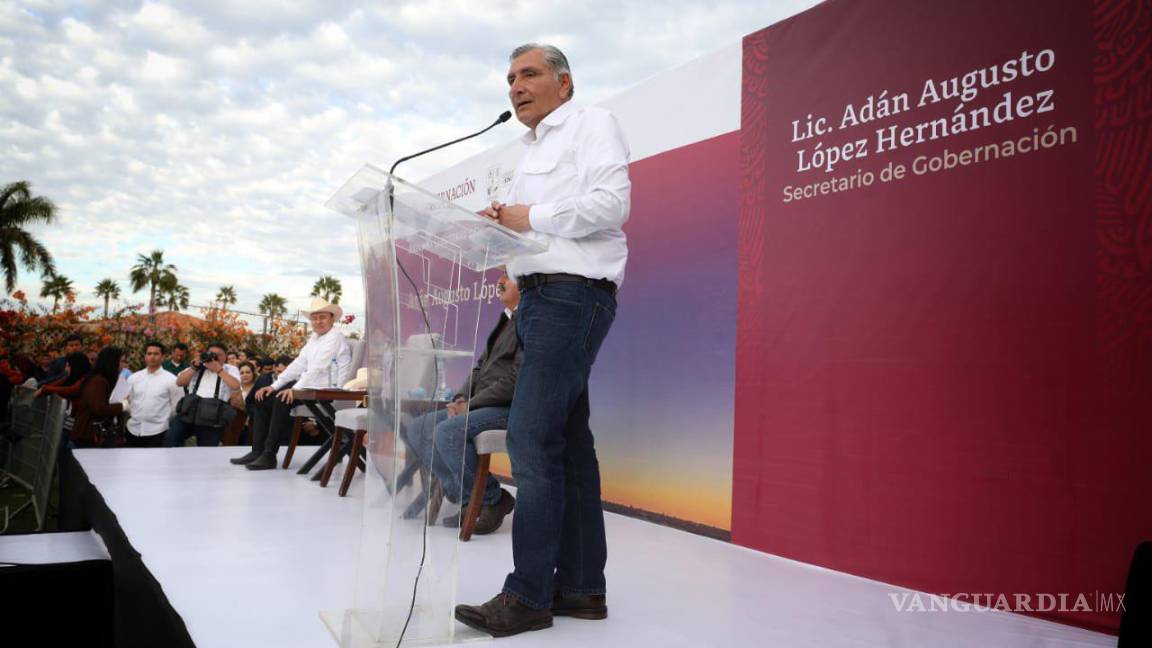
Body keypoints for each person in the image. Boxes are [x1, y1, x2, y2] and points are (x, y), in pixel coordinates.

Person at [455, 43, 629, 637]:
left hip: (573, 296)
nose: (516, 86)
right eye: (509, 78)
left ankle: (528, 595)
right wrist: (500, 231)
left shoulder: (591, 123)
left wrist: (530, 217)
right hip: (537, 301)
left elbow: (612, 205)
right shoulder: (525, 151)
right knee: (569, 447)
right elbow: (533, 225)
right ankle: (582, 589)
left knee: (530, 439)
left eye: (529, 74)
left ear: (565, 83)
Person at [405, 275, 521, 532]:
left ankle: (489, 500)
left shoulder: (529, 322)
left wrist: (471, 405)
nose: (500, 282)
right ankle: (473, 497)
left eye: (508, 278)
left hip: (507, 408)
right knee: (417, 429)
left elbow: (516, 378)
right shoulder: (505, 319)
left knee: (447, 431)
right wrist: (460, 398)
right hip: (479, 404)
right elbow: (480, 369)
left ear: (524, 285)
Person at [230, 298, 351, 470]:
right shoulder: (315, 338)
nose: (318, 322)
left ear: (332, 319)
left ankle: (269, 455)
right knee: (263, 396)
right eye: (314, 318)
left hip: (330, 390)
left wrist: (294, 390)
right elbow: (299, 364)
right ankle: (258, 450)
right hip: (311, 388)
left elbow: (318, 367)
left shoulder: (335, 337)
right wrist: (274, 385)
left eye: (322, 317)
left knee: (282, 399)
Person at [173, 341, 241, 447]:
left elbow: (235, 385)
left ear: (225, 356)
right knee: (172, 437)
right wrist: (194, 367)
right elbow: (180, 382)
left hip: (213, 416)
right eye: (211, 354)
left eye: (218, 355)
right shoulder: (198, 366)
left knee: (207, 449)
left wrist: (218, 369)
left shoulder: (230, 369)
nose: (214, 357)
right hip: (190, 411)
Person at [124, 341, 183, 448]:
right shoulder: (134, 378)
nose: (152, 357)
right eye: (149, 353)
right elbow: (129, 401)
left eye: (156, 354)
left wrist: (162, 420)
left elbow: (177, 407)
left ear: (163, 356)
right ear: (145, 356)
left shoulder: (172, 380)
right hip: (133, 430)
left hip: (158, 432)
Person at [68, 347, 127, 448]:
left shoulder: (104, 379)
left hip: (93, 436)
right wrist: (123, 406)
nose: (124, 365)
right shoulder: (98, 381)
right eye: (122, 361)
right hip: (87, 437)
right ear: (112, 362)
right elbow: (99, 408)